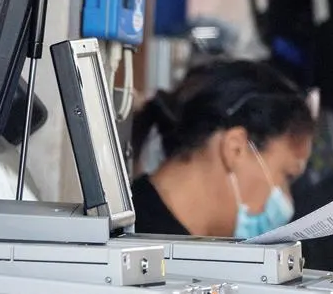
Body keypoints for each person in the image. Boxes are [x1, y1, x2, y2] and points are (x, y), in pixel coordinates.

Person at [129, 59, 315, 238]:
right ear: (236, 148)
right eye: (287, 176)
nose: (287, 203)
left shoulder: (138, 223)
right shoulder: (134, 250)